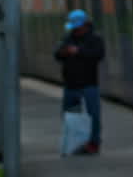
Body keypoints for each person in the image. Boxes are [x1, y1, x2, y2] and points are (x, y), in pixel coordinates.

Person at [54, 8, 105, 155]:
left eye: (77, 28)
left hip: (89, 84)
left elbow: (98, 54)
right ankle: (73, 144)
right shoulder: (67, 38)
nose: (75, 31)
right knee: (70, 116)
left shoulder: (95, 39)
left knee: (93, 115)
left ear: (85, 25)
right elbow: (57, 54)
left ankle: (93, 143)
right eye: (73, 28)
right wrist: (64, 52)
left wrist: (78, 51)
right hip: (70, 84)